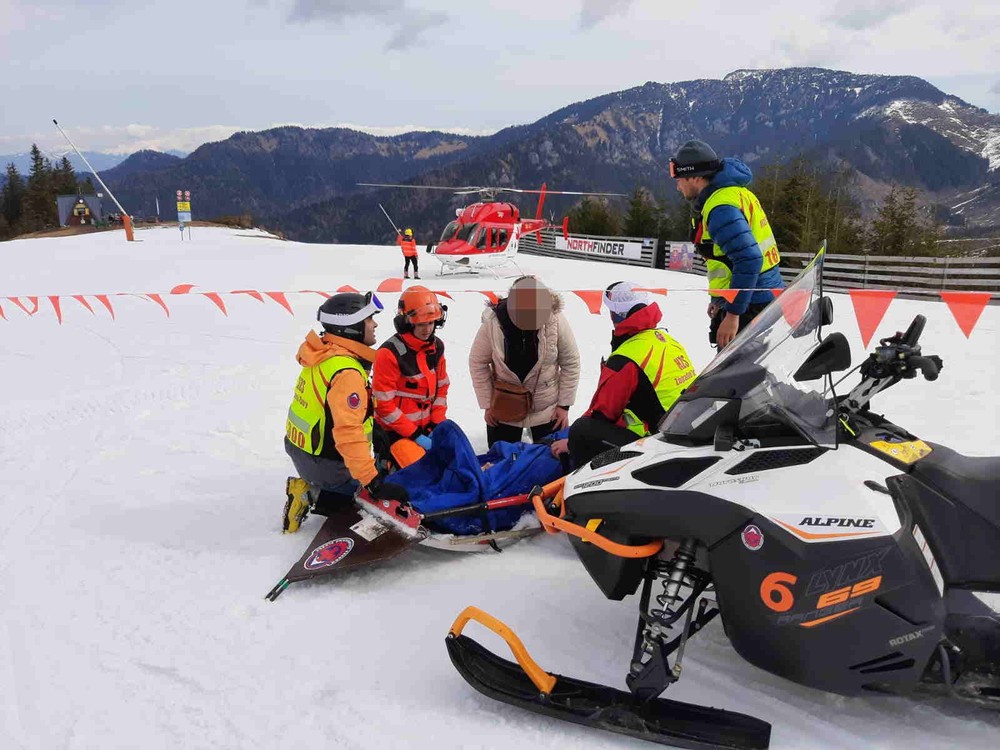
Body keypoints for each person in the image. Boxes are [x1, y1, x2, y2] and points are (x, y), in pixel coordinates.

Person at [282, 291, 408, 533]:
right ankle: (311, 493)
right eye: (369, 320)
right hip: (326, 464)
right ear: (351, 327)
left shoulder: (324, 354)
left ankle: (323, 486)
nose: (375, 325)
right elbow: (348, 432)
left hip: (305, 451)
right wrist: (372, 482)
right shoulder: (347, 373)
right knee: (374, 510)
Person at [670, 139, 784, 349]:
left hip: (751, 305)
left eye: (679, 179)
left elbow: (749, 259)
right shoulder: (733, 193)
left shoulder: (720, 207)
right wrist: (720, 298)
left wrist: (733, 314)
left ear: (695, 177)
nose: (677, 186)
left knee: (735, 370)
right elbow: (725, 258)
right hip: (759, 296)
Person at [568, 281, 696, 467]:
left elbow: (603, 413)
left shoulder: (625, 358)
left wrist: (568, 443)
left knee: (581, 431)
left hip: (659, 444)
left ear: (613, 314)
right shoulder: (667, 340)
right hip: (685, 431)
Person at [469, 275, 580, 448]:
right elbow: (477, 362)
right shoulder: (493, 322)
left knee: (549, 460)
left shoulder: (555, 319)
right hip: (504, 406)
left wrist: (564, 406)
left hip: (547, 409)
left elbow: (570, 362)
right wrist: (488, 404)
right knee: (501, 459)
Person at [372, 286, 449, 463]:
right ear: (406, 322)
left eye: (431, 323)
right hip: (394, 433)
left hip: (427, 429)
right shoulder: (389, 353)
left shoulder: (437, 347)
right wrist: (414, 434)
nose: (427, 329)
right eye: (421, 324)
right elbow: (383, 404)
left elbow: (442, 387)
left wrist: (436, 423)